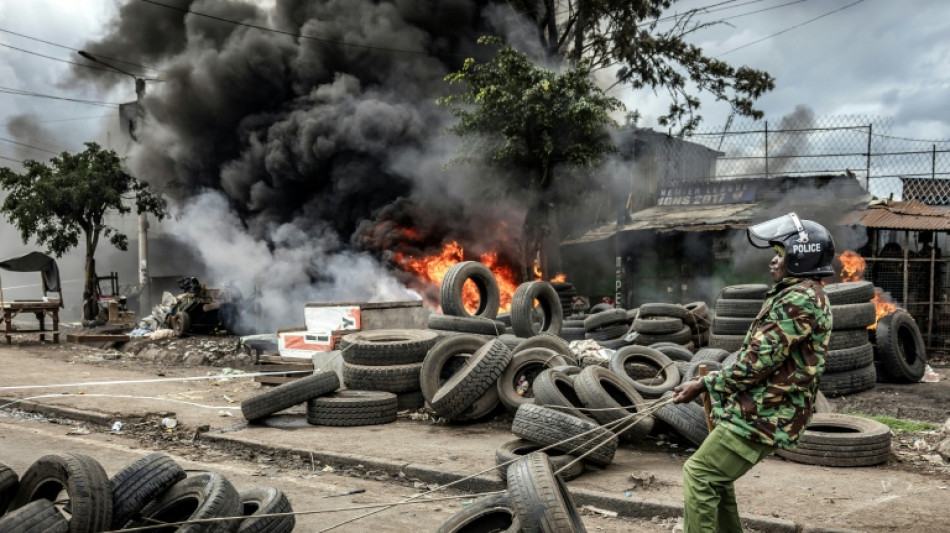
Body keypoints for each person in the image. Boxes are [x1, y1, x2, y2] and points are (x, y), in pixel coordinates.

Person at [672, 212, 835, 532]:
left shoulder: (798, 299)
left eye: (779, 254)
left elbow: (754, 365)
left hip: (765, 411)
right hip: (767, 408)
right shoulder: (803, 294)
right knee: (716, 481)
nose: (772, 262)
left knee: (699, 475)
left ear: (799, 258)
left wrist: (705, 383)